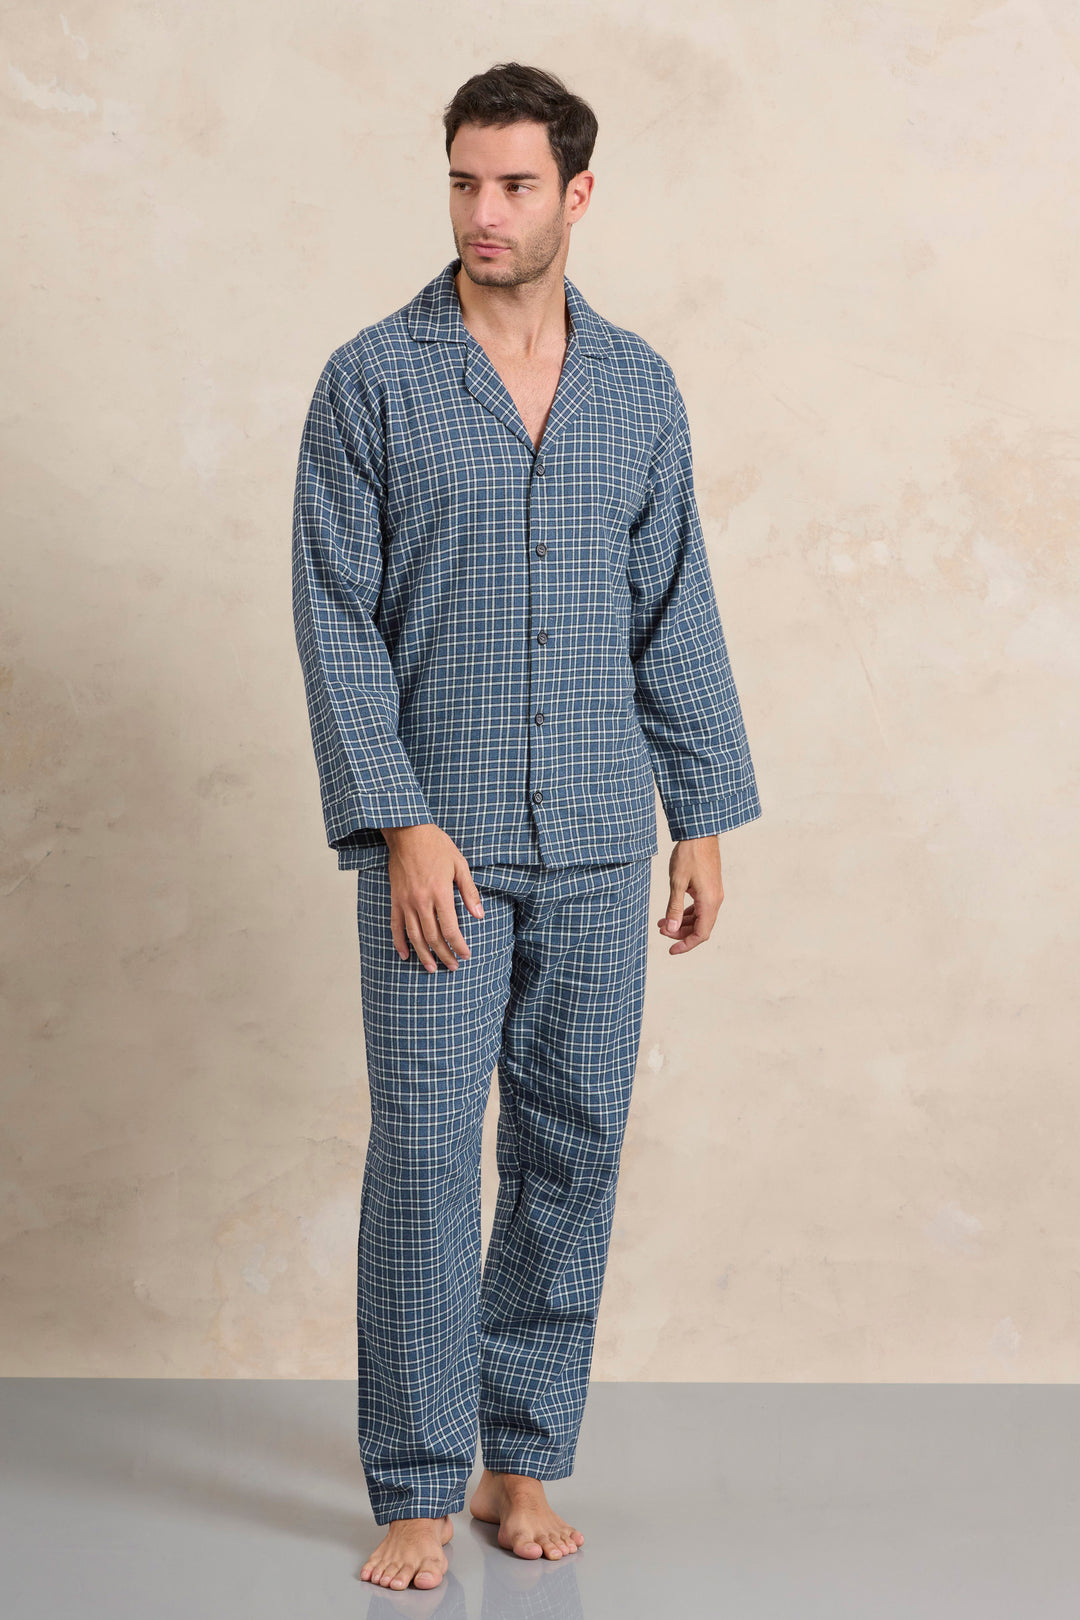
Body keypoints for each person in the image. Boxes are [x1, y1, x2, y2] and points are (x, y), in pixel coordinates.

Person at [291, 60, 762, 1593]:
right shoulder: (371, 381)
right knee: (428, 1159)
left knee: (575, 1148)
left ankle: (520, 1457)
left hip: (602, 842)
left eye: (512, 184)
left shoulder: (637, 388)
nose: (482, 211)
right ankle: (419, 1483)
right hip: (442, 854)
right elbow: (336, 622)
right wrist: (398, 823)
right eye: (462, 182)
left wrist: (701, 813)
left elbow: (672, 605)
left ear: (576, 193)